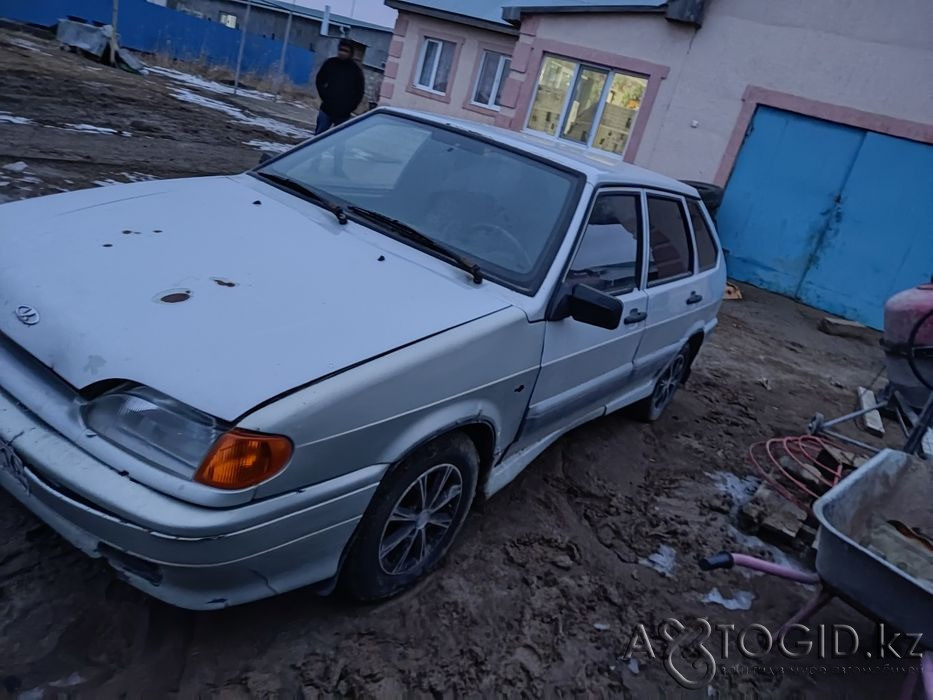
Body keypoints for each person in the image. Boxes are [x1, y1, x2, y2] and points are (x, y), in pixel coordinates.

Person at [314, 39, 365, 134]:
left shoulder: (355, 70)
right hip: (327, 109)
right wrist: (325, 96)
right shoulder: (330, 63)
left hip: (343, 114)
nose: (342, 53)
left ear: (351, 53)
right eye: (341, 50)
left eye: (346, 51)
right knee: (318, 138)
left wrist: (350, 107)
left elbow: (360, 91)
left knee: (339, 140)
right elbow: (319, 80)